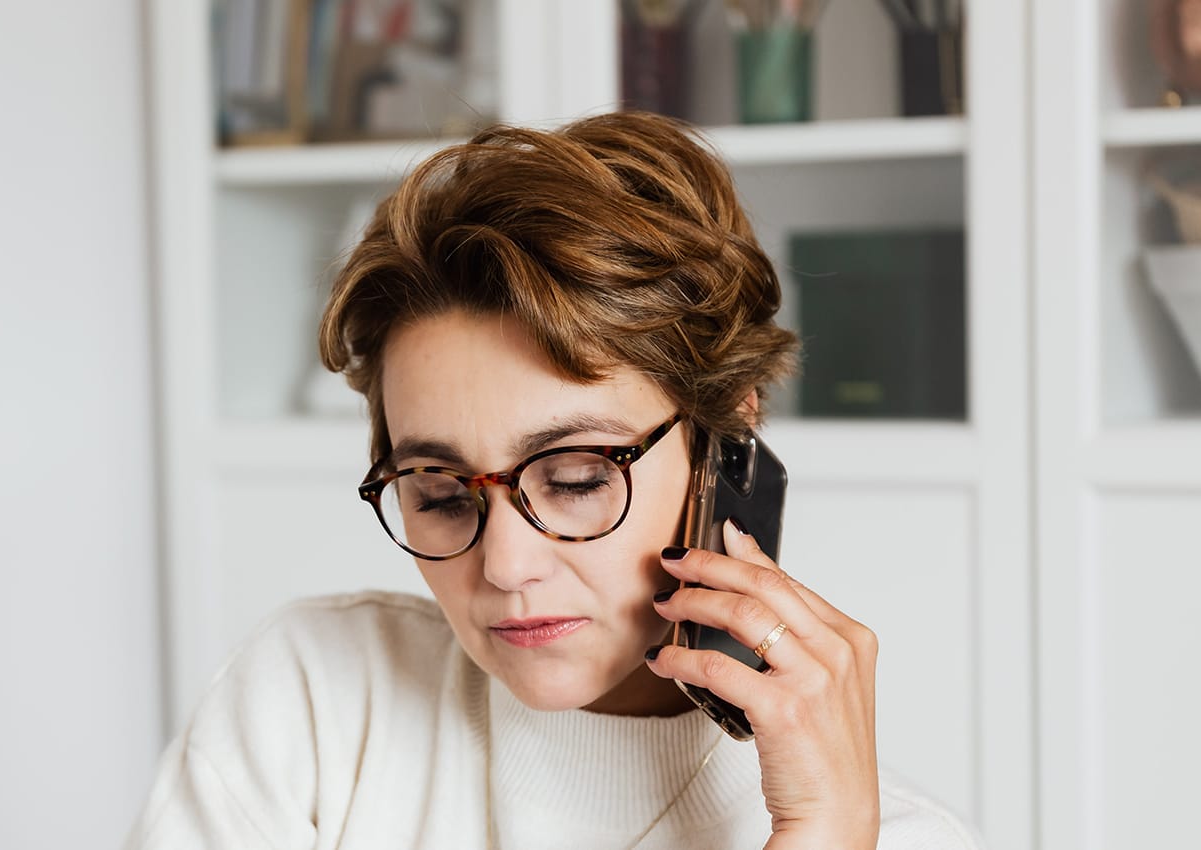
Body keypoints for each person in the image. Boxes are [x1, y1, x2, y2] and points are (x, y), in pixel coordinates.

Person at [124, 112, 980, 849]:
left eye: (574, 479)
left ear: (728, 435)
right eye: (440, 491)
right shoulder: (314, 700)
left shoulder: (881, 835)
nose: (504, 566)